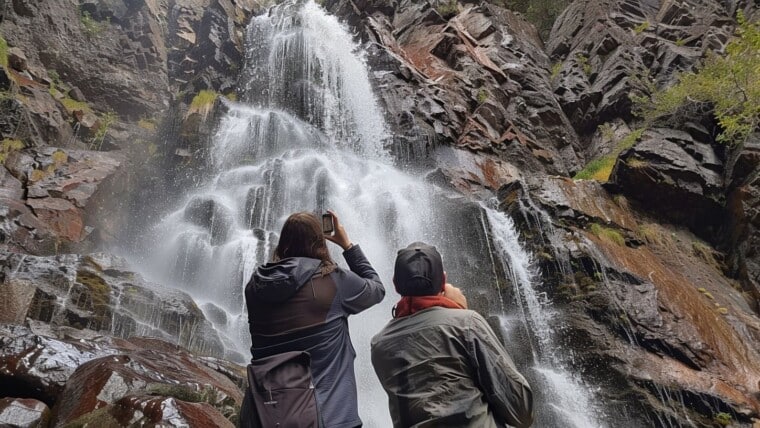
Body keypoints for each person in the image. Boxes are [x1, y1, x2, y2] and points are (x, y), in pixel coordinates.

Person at [241, 211, 385, 428]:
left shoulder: (254, 288)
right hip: (330, 418)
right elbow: (377, 289)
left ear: (283, 244)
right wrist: (348, 246)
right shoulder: (333, 281)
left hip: (267, 416)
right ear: (320, 242)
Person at [371, 242, 534, 428]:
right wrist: (460, 312)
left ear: (394, 284)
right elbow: (521, 411)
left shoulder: (379, 344)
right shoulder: (467, 324)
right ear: (444, 280)